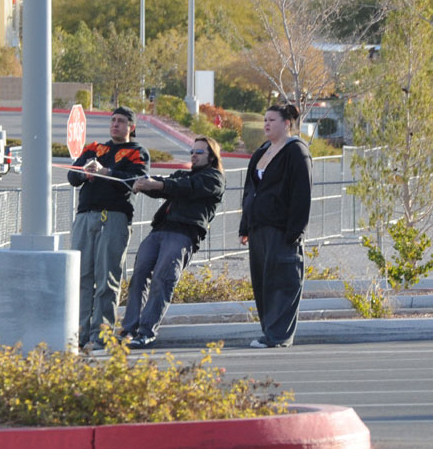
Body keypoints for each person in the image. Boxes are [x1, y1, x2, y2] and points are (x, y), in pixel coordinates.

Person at [122, 136, 225, 348]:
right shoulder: (181, 176)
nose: (193, 156)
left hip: (182, 234)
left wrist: (157, 184)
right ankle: (129, 330)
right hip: (159, 230)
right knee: (139, 276)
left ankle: (146, 331)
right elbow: (165, 186)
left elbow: (186, 187)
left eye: (199, 152)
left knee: (163, 279)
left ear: (212, 157)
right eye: (192, 152)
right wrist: (142, 183)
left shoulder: (214, 178)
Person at [68, 106, 150, 349]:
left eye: (121, 121)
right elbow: (73, 177)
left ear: (131, 127)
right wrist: (85, 173)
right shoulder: (93, 148)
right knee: (82, 277)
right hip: (86, 216)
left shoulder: (137, 152)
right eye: (113, 120)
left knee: (107, 278)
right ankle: (79, 335)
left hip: (114, 217)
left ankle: (100, 336)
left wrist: (107, 172)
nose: (115, 124)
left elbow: (135, 181)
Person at [239, 104, 313, 348]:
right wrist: (245, 226)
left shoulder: (296, 151)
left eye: (272, 119)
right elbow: (250, 190)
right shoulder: (262, 151)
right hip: (258, 228)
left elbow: (302, 193)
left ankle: (279, 336)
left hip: (282, 231)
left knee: (282, 280)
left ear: (286, 123)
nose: (266, 124)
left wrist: (295, 231)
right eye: (265, 120)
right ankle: (269, 331)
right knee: (263, 282)